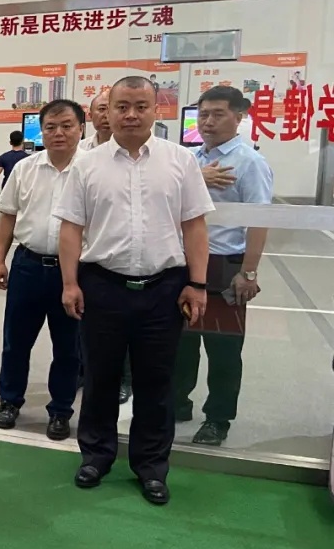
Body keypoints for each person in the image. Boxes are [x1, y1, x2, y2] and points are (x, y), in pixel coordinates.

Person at [54, 76, 215, 506]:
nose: (130, 115)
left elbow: (195, 226)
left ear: (156, 110)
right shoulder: (87, 164)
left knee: (156, 382)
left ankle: (151, 467)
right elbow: (71, 228)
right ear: (108, 111)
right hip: (102, 286)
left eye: (140, 106)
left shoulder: (180, 160)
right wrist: (69, 283)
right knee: (100, 378)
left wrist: (197, 284)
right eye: (121, 106)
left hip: (164, 289)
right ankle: (96, 456)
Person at [172, 86, 273, 446]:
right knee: (181, 344)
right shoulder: (189, 158)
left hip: (225, 266)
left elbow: (259, 221)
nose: (208, 122)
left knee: (223, 349)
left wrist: (248, 272)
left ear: (239, 116)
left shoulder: (250, 162)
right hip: (184, 263)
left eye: (218, 114)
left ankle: (218, 419)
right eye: (203, 115)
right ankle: (177, 403)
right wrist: (196, 178)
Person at [0, 100, 85, 441]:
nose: (58, 133)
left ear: (81, 129)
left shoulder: (92, 169)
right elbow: (8, 216)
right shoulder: (25, 168)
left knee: (68, 347)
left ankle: (60, 410)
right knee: (15, 342)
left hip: (74, 273)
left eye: (67, 126)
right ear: (40, 132)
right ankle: (10, 401)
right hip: (28, 266)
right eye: (50, 127)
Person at [79, 89, 133, 404]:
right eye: (99, 109)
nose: (104, 115)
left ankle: (124, 380)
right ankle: (84, 372)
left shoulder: (131, 153)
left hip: (117, 254)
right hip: (85, 254)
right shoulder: (81, 153)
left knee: (121, 329)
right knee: (85, 323)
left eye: (108, 108)